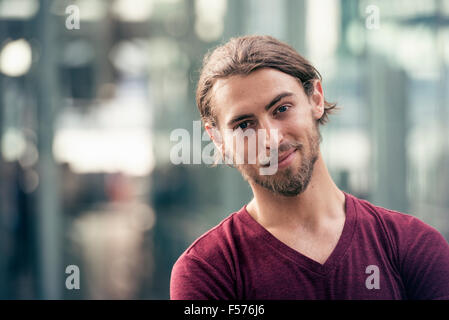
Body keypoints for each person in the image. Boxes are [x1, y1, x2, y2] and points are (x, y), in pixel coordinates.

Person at [170, 35, 449, 299]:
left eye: (281, 109)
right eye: (244, 125)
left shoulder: (413, 245)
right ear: (217, 140)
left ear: (315, 98)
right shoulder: (208, 270)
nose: (272, 139)